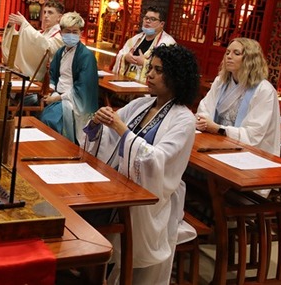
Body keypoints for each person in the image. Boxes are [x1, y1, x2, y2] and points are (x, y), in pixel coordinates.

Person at [84, 44, 200, 285]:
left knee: (92, 216)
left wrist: (121, 129)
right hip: (121, 184)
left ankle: (92, 267)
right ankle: (89, 268)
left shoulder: (184, 119)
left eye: (159, 70)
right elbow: (109, 136)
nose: (150, 75)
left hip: (151, 196)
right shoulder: (142, 105)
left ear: (176, 77)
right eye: (150, 68)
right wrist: (98, 121)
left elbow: (158, 160)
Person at [196, 37, 280, 157]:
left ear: (250, 59)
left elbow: (254, 134)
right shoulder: (220, 82)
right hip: (216, 141)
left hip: (249, 152)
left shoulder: (264, 90)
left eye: (236, 53)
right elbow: (205, 108)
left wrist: (219, 129)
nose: (229, 57)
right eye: (227, 52)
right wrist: (203, 121)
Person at [39, 12, 99, 144]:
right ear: (61, 32)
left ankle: (61, 147)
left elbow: (82, 88)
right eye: (67, 31)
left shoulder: (86, 56)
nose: (71, 35)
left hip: (74, 100)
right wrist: (50, 90)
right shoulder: (61, 52)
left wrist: (58, 98)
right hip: (57, 94)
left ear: (81, 33)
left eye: (74, 32)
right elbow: (53, 75)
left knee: (50, 120)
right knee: (40, 112)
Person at [1, 0, 65, 82]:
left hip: (47, 79)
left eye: (50, 12)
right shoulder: (43, 32)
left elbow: (45, 46)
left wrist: (25, 24)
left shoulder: (60, 36)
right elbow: (23, 40)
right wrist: (10, 28)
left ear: (59, 17)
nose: (45, 15)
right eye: (44, 12)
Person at [112, 6, 176, 82]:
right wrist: (125, 58)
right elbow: (121, 54)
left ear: (161, 24)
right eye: (146, 18)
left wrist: (145, 63)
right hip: (127, 80)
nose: (148, 21)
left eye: (153, 19)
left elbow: (168, 69)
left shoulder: (168, 43)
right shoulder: (136, 39)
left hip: (146, 86)